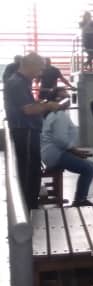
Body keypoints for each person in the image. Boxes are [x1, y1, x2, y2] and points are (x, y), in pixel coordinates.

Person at [4, 53, 63, 208]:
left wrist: (40, 103)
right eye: (39, 69)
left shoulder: (21, 82)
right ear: (30, 65)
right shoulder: (17, 83)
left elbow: (27, 105)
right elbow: (28, 110)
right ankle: (28, 206)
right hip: (25, 132)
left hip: (28, 131)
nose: (40, 73)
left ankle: (30, 202)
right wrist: (48, 106)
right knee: (29, 171)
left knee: (32, 169)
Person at [40, 87, 93, 207]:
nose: (68, 100)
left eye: (69, 97)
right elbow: (60, 139)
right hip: (55, 154)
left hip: (50, 153)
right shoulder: (59, 114)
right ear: (57, 100)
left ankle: (80, 199)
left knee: (88, 165)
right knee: (90, 168)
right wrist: (75, 151)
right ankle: (80, 200)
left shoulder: (51, 114)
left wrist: (74, 151)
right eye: (65, 98)